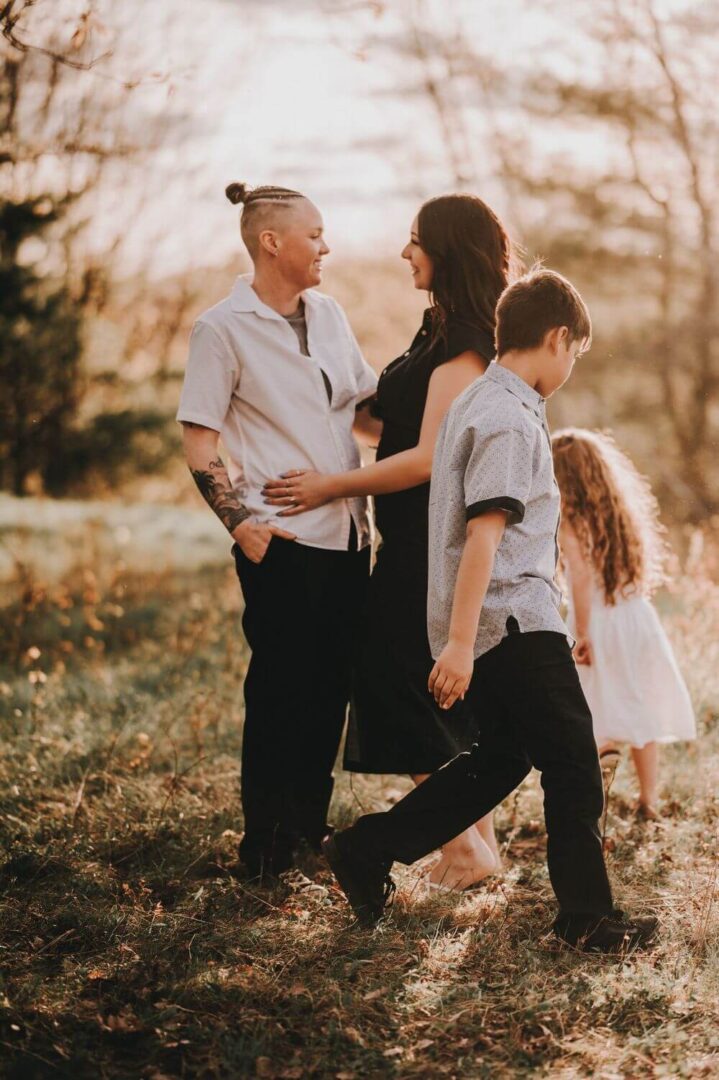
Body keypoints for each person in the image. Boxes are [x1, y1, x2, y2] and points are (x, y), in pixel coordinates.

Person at [321, 267, 659, 952]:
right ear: (558, 338)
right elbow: (483, 532)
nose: (569, 367)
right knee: (573, 763)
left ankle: (367, 848)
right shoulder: (506, 419)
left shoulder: (477, 403)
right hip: (511, 619)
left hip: (489, 622)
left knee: (500, 758)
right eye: (574, 354)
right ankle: (586, 918)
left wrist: (457, 635)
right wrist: (457, 644)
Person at [263, 193, 506, 890]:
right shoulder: (434, 331)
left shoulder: (466, 340)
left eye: (414, 241)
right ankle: (476, 852)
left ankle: (464, 852)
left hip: (433, 545)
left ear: (447, 250)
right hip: (405, 539)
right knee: (425, 696)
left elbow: (428, 457)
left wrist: (326, 486)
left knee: (397, 688)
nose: (404, 254)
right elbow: (385, 427)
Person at [177, 182, 377, 880]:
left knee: (330, 691)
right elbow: (200, 437)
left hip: (350, 539)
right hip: (282, 545)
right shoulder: (220, 329)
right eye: (315, 234)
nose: (326, 245)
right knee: (279, 693)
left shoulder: (328, 314)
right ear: (272, 242)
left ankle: (307, 830)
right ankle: (261, 845)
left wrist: (441, 426)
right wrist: (240, 525)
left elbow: (360, 413)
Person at [551, 428, 696, 818]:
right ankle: (649, 800)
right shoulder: (621, 512)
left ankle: (597, 784)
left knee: (592, 705)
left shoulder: (569, 518)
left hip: (597, 620)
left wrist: (582, 632)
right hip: (636, 617)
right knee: (640, 703)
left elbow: (579, 576)